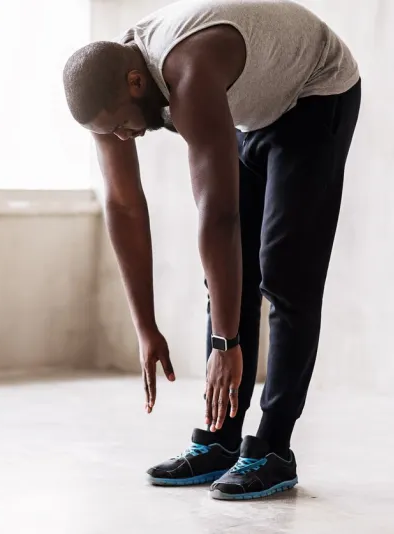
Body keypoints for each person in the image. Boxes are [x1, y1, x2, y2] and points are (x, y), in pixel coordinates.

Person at [63, 0, 360, 501]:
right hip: (256, 103)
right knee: (226, 277)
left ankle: (273, 448)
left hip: (314, 89)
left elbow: (216, 215)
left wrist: (226, 344)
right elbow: (123, 205)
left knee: (286, 274)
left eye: (119, 127)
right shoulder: (110, 82)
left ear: (136, 84)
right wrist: (145, 327)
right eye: (108, 133)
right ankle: (222, 440)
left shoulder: (189, 72)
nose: (121, 137)